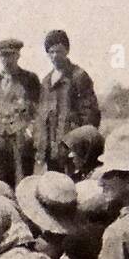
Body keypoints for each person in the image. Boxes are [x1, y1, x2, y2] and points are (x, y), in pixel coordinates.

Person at [35, 30, 101, 173]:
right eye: (51, 52)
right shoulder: (46, 81)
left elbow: (90, 113)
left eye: (59, 51)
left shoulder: (79, 76)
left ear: (67, 50)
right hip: (52, 149)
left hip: (72, 147)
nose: (55, 56)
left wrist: (80, 145)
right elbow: (42, 117)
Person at [0, 39, 41, 188]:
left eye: (10, 55)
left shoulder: (29, 79)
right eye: (3, 56)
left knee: (25, 182)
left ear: (18, 56)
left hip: (22, 136)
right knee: (2, 182)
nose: (6, 59)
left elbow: (38, 108)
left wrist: (32, 130)